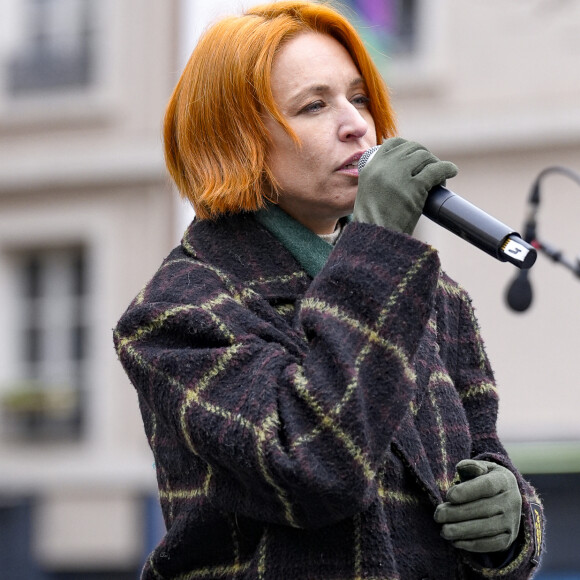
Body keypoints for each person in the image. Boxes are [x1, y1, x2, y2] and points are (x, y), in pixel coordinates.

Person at [114, 1, 545, 578]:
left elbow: (484, 453)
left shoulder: (437, 296)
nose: (356, 124)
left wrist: (511, 522)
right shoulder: (177, 310)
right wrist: (379, 241)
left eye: (359, 97)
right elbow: (314, 467)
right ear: (236, 138)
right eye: (314, 105)